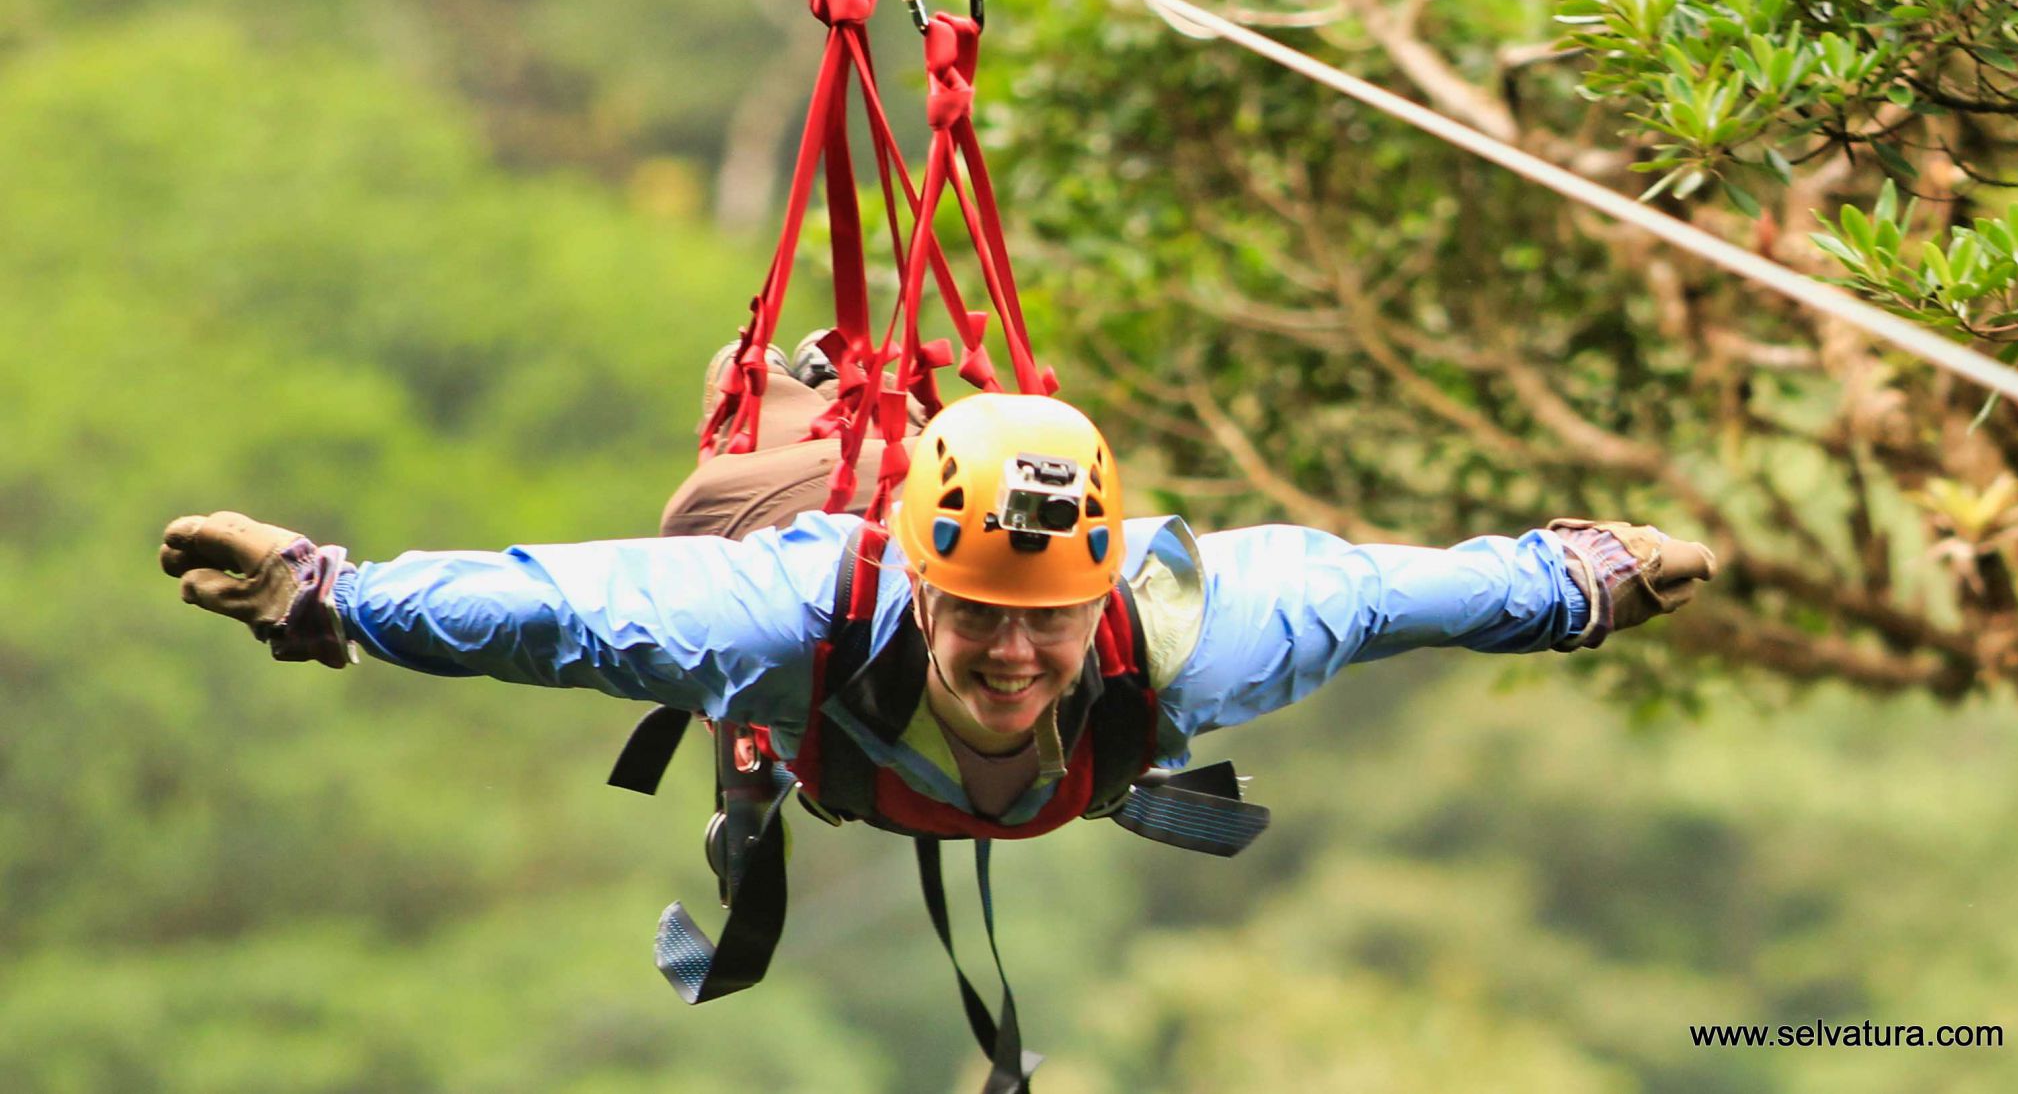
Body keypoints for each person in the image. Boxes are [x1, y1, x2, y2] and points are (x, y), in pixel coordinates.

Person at [158, 358, 1716, 821]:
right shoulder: (793, 619)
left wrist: (1574, 581)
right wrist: (331, 592)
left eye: (1047, 618)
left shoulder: (1196, 634)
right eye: (978, 613)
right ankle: (805, 406)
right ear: (922, 577)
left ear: (1100, 592)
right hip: (813, 613)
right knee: (712, 511)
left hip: (927, 715)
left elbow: (1386, 594)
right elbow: (561, 610)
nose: (1015, 653)